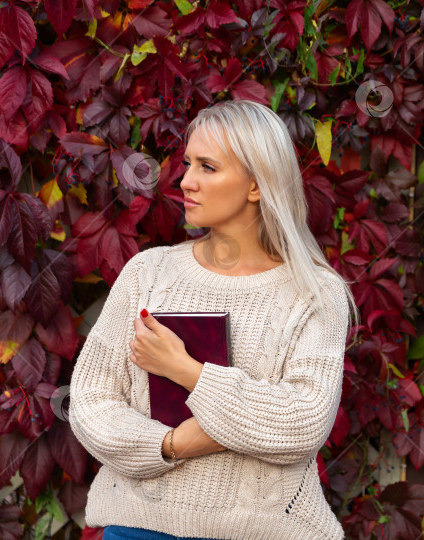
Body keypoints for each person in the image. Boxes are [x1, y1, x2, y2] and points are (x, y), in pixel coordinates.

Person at [68, 99, 360, 540]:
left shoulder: (314, 293)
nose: (186, 181)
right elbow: (91, 402)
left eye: (208, 167)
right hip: (139, 529)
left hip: (266, 532)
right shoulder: (147, 274)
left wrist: (186, 371)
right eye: (188, 164)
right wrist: (174, 445)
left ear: (257, 186)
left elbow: (303, 421)